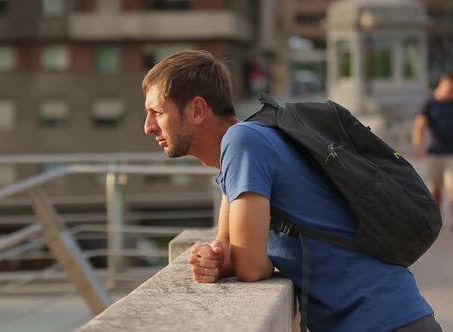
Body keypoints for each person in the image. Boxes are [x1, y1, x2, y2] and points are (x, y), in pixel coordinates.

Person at [142, 50, 441, 332]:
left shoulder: (242, 142)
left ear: (197, 109)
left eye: (157, 112)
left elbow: (248, 267)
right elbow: (227, 248)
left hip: (380, 321)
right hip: (390, 316)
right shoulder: (243, 149)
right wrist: (214, 259)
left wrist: (252, 259)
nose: (148, 126)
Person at [413, 72, 453, 231]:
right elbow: (420, 125)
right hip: (434, 152)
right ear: (441, 85)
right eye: (449, 89)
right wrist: (418, 145)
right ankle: (438, 222)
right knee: (435, 190)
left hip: (452, 154)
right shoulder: (430, 103)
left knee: (452, 188)